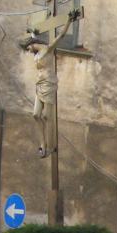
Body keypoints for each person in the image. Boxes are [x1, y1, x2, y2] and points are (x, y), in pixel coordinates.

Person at [20, 9, 79, 158]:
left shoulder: (47, 49)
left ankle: (49, 145)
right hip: (39, 86)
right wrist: (32, 30)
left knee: (47, 116)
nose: (28, 51)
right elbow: (33, 35)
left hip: (49, 85)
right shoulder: (37, 53)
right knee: (35, 115)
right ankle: (42, 144)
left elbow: (61, 36)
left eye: (28, 48)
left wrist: (69, 21)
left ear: (32, 44)